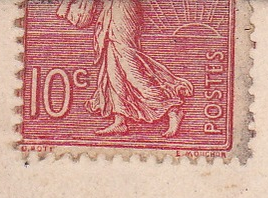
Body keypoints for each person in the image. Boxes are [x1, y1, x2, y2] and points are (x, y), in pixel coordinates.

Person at [54, 0, 194, 137]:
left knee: (130, 67)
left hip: (124, 9)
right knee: (113, 67)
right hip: (113, 9)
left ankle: (172, 109)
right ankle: (119, 120)